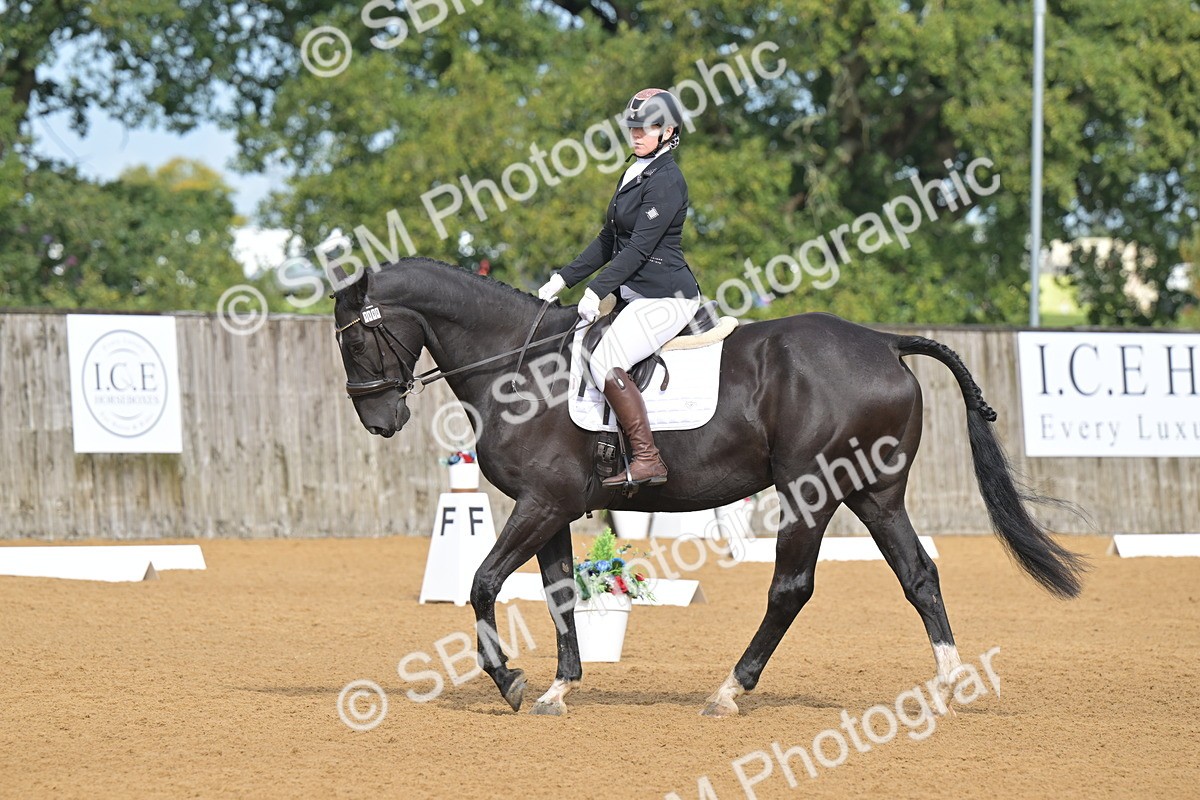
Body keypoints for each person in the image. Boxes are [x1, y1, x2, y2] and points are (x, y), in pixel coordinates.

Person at [537, 88, 702, 487]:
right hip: (634, 297)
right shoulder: (634, 172)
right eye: (632, 127)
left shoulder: (667, 180)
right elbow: (608, 241)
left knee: (605, 361)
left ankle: (648, 458)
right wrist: (563, 279)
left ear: (669, 131)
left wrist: (595, 291)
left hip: (667, 296)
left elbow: (639, 249)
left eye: (646, 128)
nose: (636, 134)